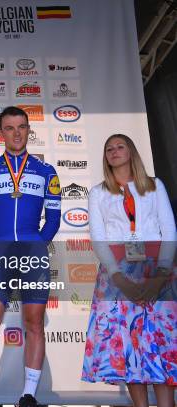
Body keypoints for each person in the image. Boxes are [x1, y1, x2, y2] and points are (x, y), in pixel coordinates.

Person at [0, 106, 61, 407]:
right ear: (1, 133)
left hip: (33, 254)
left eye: (21, 127)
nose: (17, 133)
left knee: (34, 323)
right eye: (10, 128)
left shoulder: (47, 172)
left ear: (28, 130)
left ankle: (29, 396)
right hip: (0, 255)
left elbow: (54, 219)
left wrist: (37, 246)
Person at [82, 134, 176, 407]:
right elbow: (98, 237)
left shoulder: (154, 186)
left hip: (157, 271)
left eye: (120, 146)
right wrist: (118, 277)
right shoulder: (98, 192)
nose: (114, 152)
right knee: (130, 345)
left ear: (131, 151)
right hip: (117, 277)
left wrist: (160, 275)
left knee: (159, 344)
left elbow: (169, 230)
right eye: (109, 148)